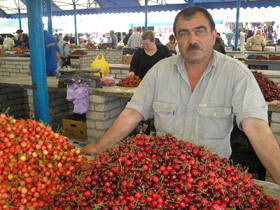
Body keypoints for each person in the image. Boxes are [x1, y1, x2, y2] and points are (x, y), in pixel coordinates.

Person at [81, 6, 280, 185]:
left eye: (199, 31)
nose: (192, 40)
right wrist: (100, 147)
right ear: (176, 40)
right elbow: (132, 113)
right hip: (164, 176)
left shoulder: (236, 74)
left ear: (213, 36)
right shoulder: (160, 72)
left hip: (211, 180)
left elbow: (256, 126)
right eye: (184, 34)